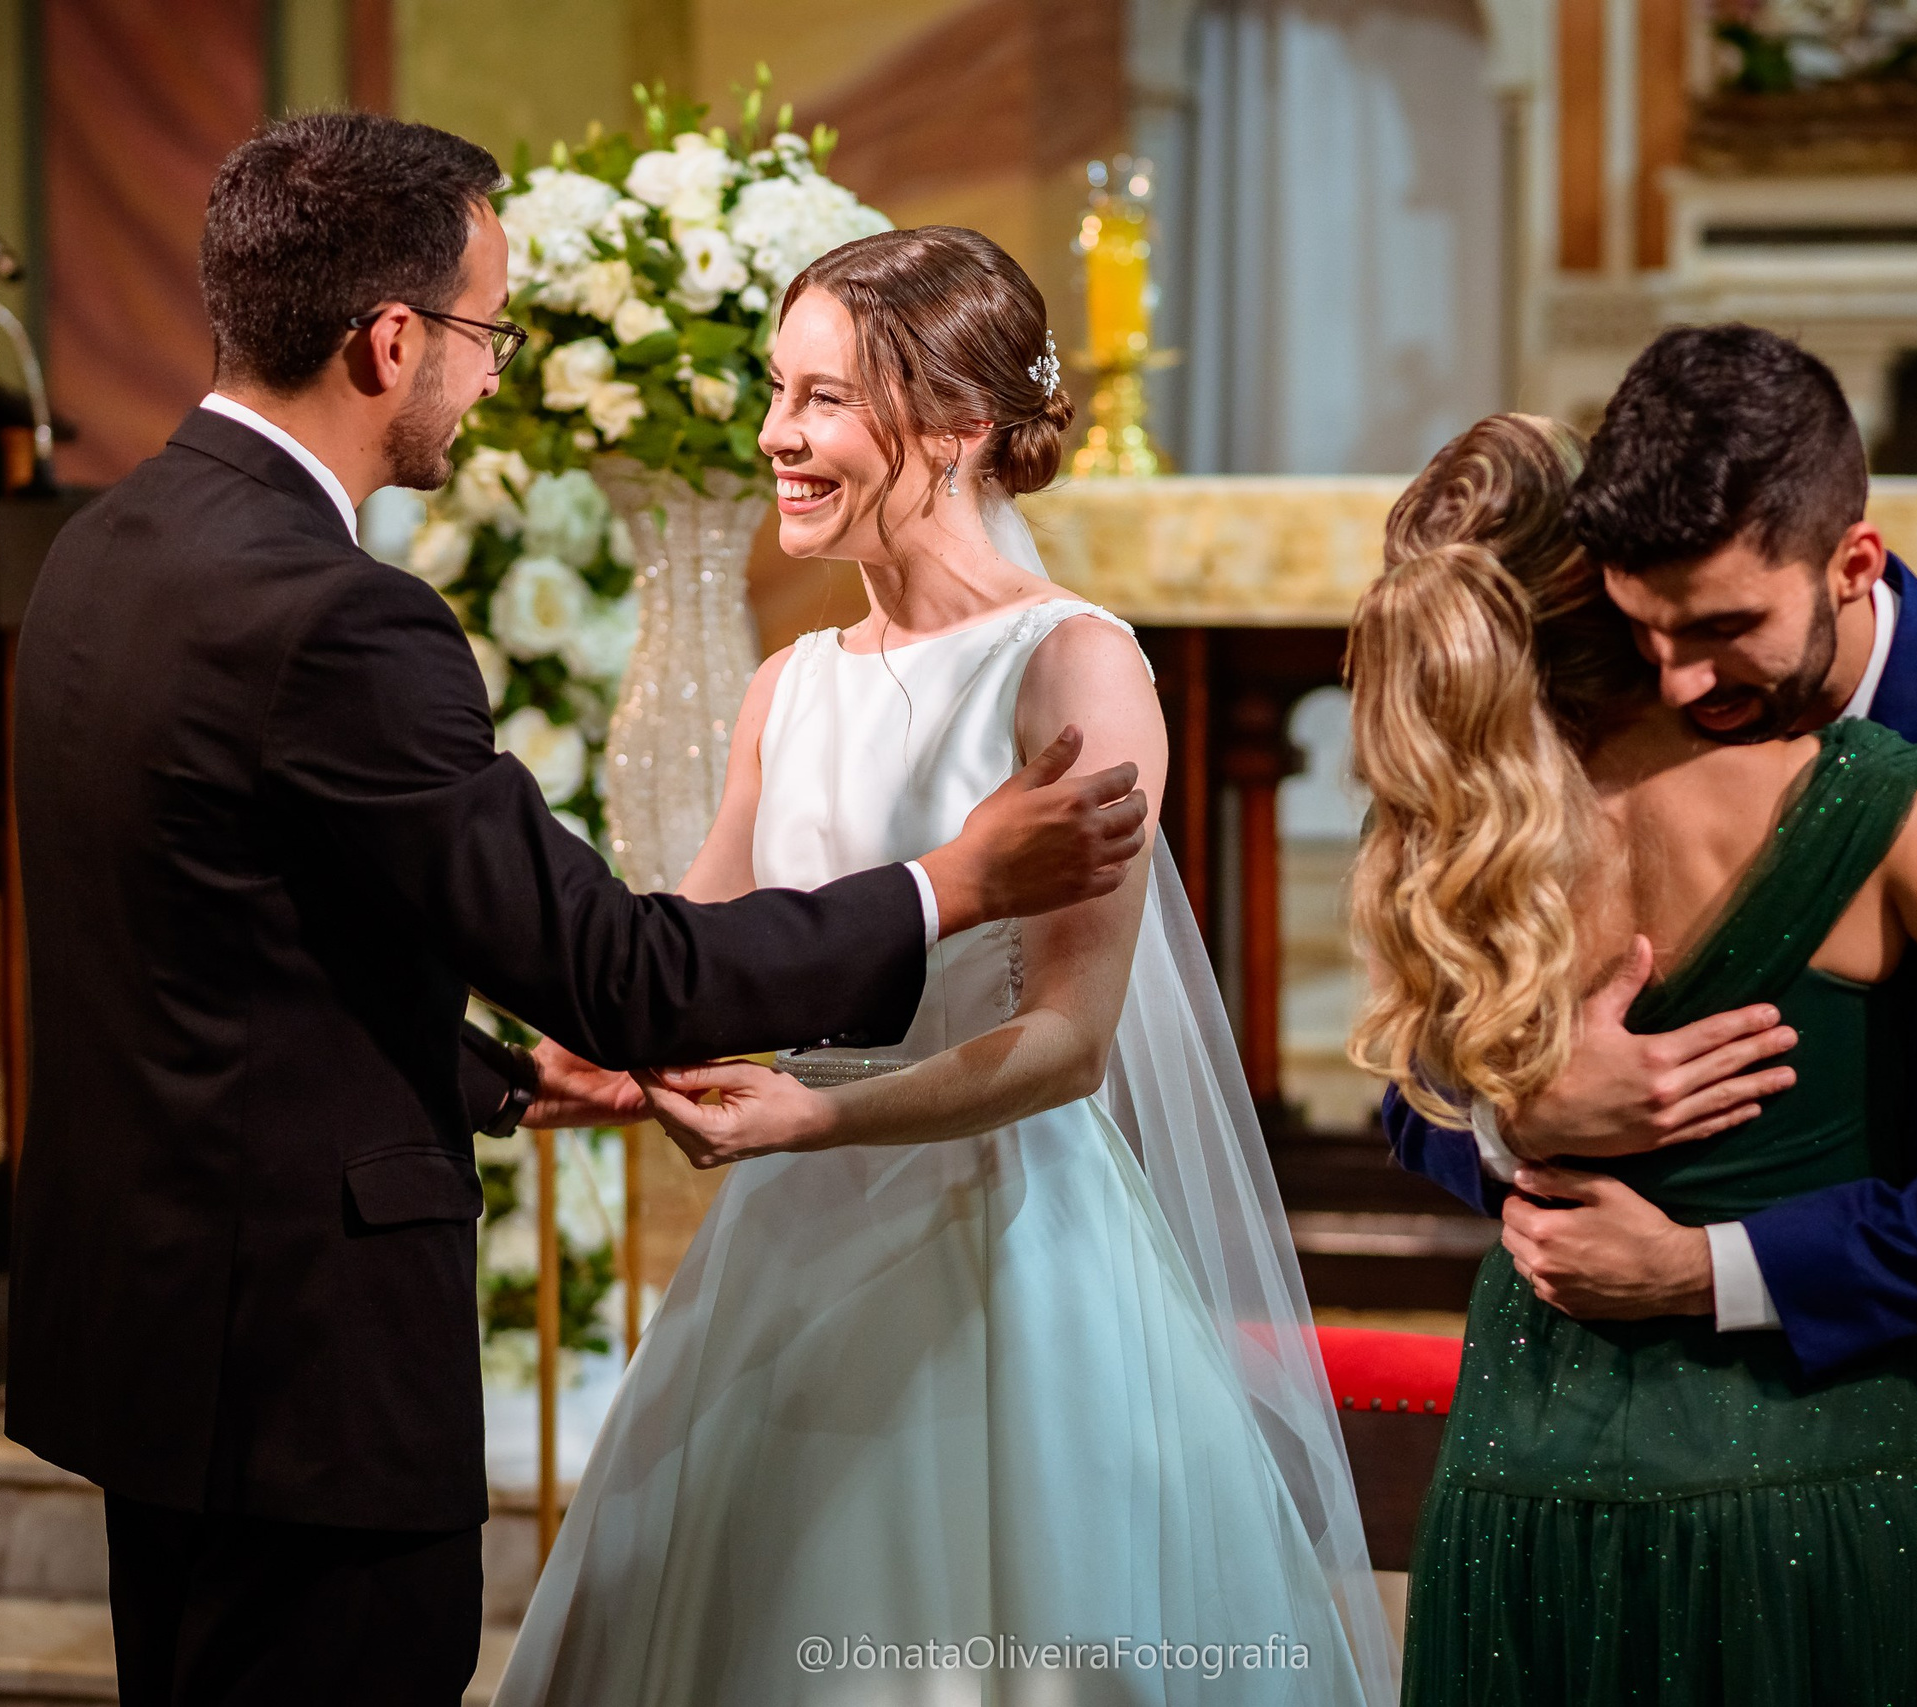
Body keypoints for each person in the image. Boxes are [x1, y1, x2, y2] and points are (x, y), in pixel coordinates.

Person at [8, 117, 1146, 1707]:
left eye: (819, 395)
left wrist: (519, 1072)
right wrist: (950, 886)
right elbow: (634, 968)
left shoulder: (100, 550)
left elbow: (233, 946)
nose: (492, 374)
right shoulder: (344, 619)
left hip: (151, 1334)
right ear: (389, 341)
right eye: (485, 333)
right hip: (305, 1364)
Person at [491, 227, 1393, 1706]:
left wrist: (821, 1117)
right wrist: (606, 1050)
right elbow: (694, 958)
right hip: (788, 1252)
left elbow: (1072, 1043)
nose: (776, 434)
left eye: (824, 399)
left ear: (963, 425)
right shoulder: (788, 685)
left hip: (999, 1245)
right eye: (776, 389)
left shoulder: (1073, 666)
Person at [1350, 402, 1917, 1701]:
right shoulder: (1843, 794)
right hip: (1782, 1460)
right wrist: (1514, 1120)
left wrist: (1694, 1263)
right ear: (1632, 595)